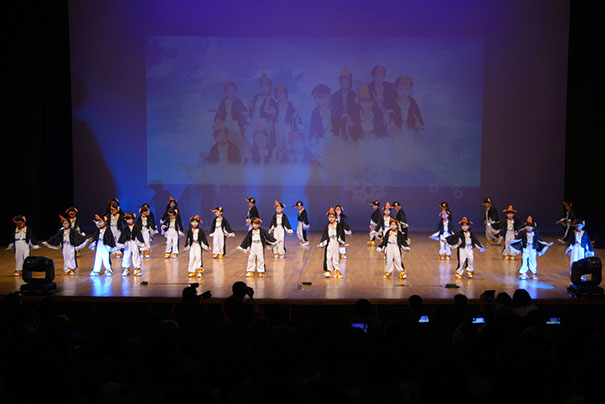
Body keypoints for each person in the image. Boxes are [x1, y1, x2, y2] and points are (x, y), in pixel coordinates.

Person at [213, 81, 248, 153]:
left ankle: (242, 153)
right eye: (228, 90)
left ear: (235, 91)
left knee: (238, 137)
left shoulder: (237, 101)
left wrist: (244, 116)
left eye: (232, 90)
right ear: (225, 92)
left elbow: (244, 111)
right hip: (226, 122)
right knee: (228, 137)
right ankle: (232, 154)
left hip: (235, 122)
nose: (230, 92)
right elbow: (219, 112)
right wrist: (216, 122)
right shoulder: (223, 102)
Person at [317, 208, 347, 278]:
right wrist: (322, 243)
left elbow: (341, 234)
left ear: (335, 217)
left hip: (335, 242)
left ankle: (336, 270)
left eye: (333, 217)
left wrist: (342, 242)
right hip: (329, 242)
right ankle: (329, 271)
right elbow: (325, 235)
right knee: (328, 257)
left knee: (335, 257)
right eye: (330, 217)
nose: (331, 219)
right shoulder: (327, 226)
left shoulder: (338, 225)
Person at [332, 66, 359, 141]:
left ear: (350, 84)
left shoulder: (353, 94)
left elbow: (356, 109)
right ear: (340, 83)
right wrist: (342, 113)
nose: (345, 85)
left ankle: (353, 137)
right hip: (340, 117)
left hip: (351, 117)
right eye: (343, 82)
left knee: (353, 124)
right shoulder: (335, 95)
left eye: (347, 83)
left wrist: (356, 104)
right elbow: (334, 109)